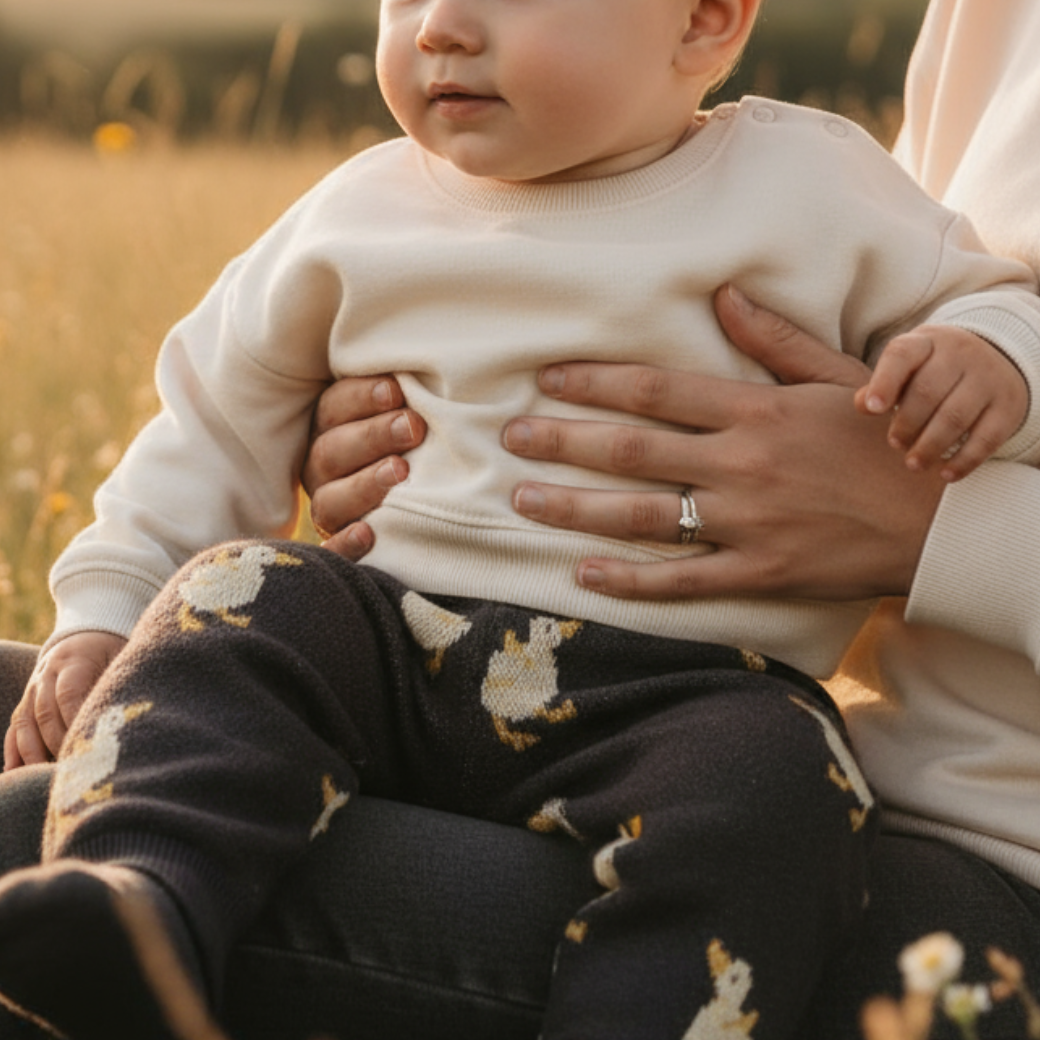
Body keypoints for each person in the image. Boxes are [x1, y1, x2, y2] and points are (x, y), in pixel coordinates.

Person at [2, 2, 1040, 1040]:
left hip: (674, 694)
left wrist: (986, 358)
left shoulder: (815, 187)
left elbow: (978, 292)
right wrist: (104, 612)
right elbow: (209, 430)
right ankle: (136, 900)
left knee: (777, 782)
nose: (440, 27)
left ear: (706, 23)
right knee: (240, 596)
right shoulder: (357, 209)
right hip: (388, 647)